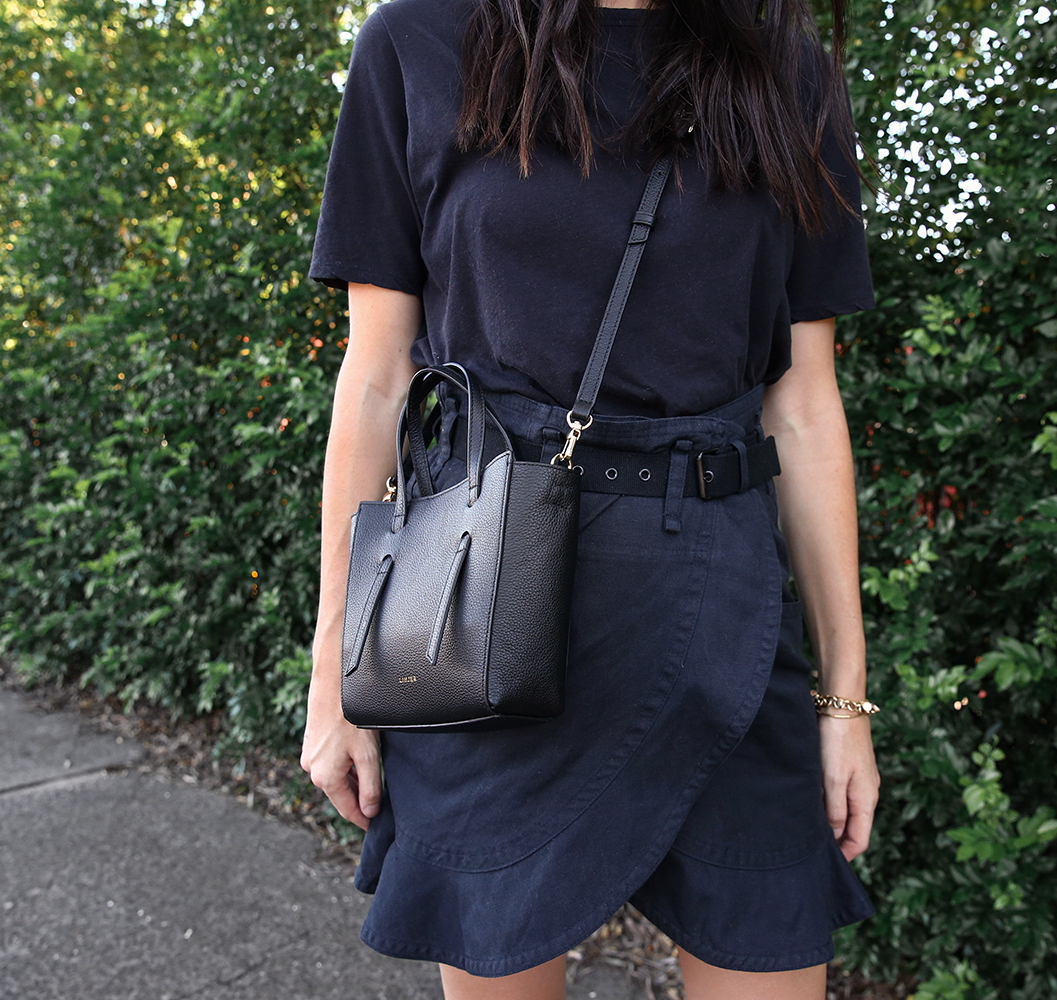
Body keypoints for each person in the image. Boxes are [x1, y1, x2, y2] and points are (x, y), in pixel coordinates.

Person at [300, 0, 880, 996]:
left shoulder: (785, 68)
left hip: (722, 622)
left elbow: (805, 405)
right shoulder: (421, 42)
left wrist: (845, 696)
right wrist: (334, 671)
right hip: (480, 610)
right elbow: (378, 378)